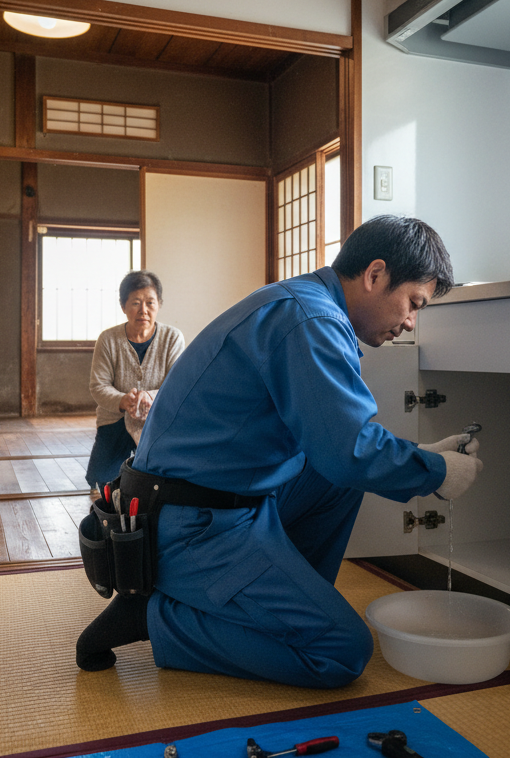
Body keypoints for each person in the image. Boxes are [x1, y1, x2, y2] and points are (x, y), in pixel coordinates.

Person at [76, 215, 483, 688]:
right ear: (375, 275)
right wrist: (436, 471)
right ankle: (158, 617)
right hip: (192, 526)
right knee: (341, 652)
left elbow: (335, 443)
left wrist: (422, 455)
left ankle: (283, 606)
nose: (410, 321)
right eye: (413, 303)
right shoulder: (313, 320)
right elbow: (348, 450)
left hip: (207, 500)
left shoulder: (302, 302)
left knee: (333, 481)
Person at [84, 270, 185, 500]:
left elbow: (176, 386)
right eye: (136, 303)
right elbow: (98, 386)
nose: (143, 310)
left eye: (150, 302)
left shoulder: (173, 337)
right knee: (101, 484)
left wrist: (149, 397)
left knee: (164, 483)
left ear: (159, 304)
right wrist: (123, 401)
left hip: (157, 421)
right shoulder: (108, 339)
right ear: (123, 306)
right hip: (115, 419)